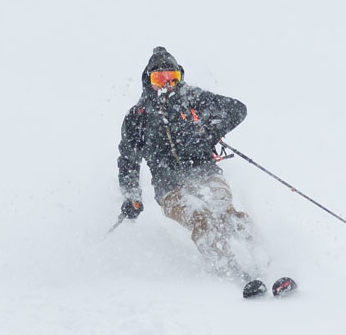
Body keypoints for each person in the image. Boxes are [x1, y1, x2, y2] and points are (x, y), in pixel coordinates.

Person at [117, 46, 291, 297]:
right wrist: (132, 196)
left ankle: (267, 263)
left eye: (172, 78)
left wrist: (210, 132)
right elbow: (128, 161)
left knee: (226, 213)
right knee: (202, 218)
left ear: (180, 77)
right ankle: (231, 270)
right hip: (170, 189)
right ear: (148, 80)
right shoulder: (138, 116)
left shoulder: (192, 98)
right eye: (159, 79)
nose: (166, 85)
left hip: (205, 172)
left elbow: (237, 109)